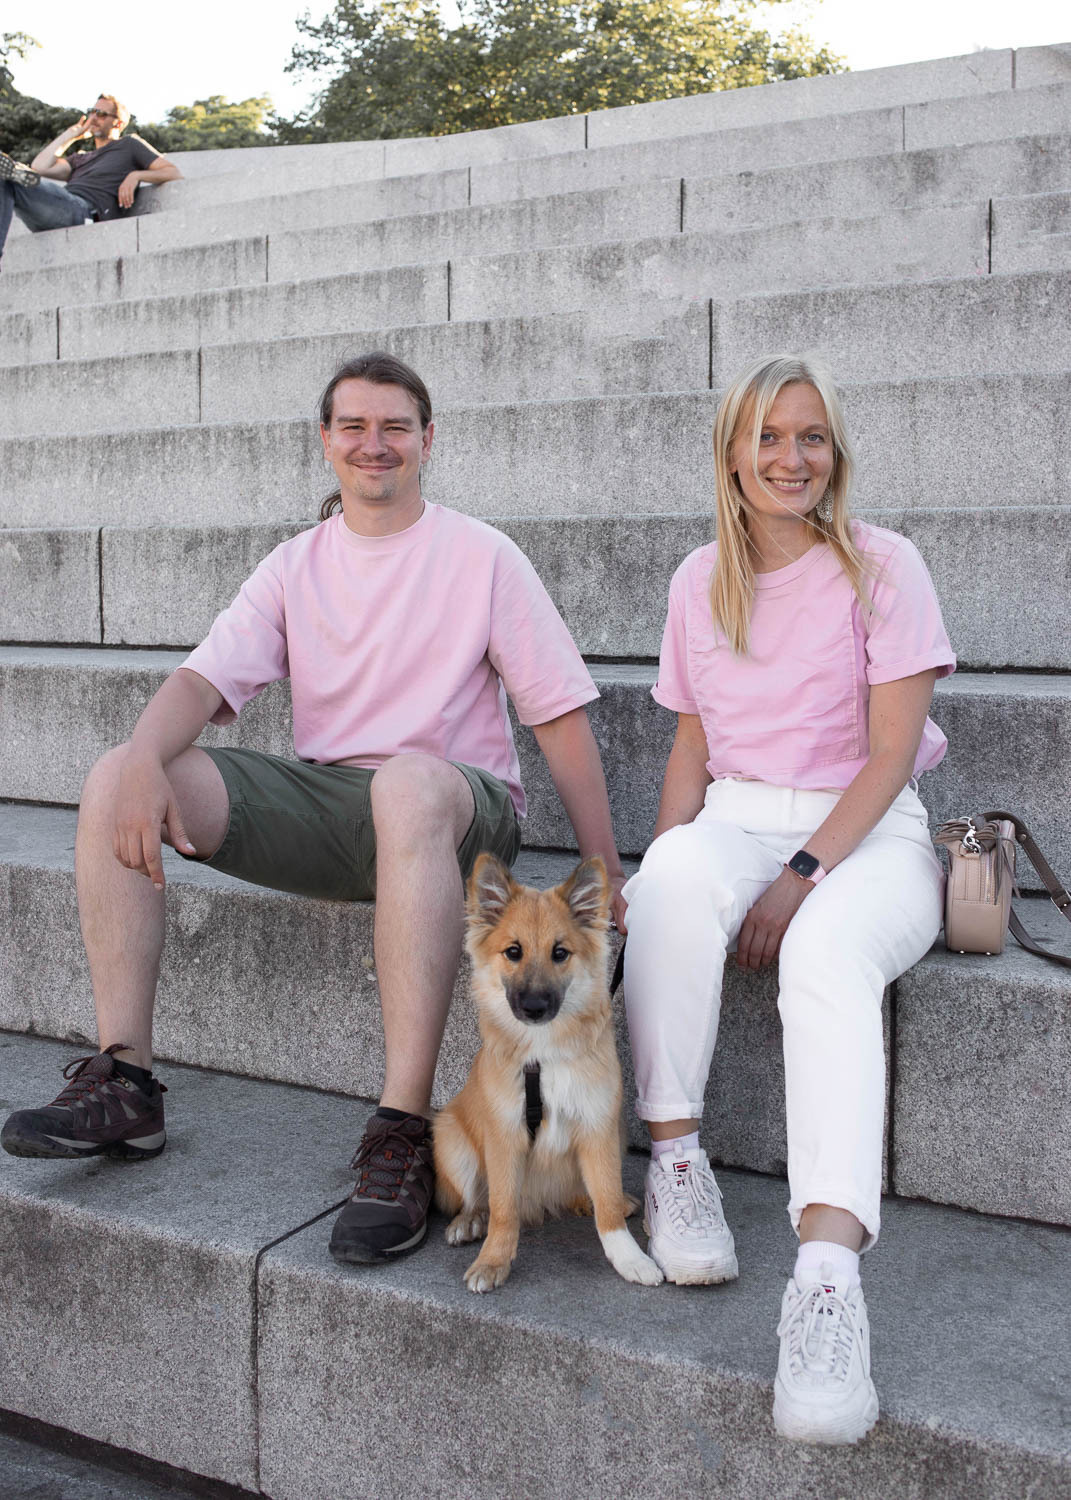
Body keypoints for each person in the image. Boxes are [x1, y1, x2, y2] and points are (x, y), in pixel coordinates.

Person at [1, 351, 629, 1270]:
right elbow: (203, 678)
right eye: (353, 427)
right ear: (325, 442)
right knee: (114, 779)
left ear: (427, 440)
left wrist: (602, 875)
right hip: (337, 801)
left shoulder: (483, 555)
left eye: (394, 427)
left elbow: (559, 720)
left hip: (458, 808)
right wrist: (140, 754)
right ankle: (126, 1082)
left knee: (407, 783)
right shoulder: (295, 565)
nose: (373, 445)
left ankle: (401, 1130)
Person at [620, 353, 955, 1444]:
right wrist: (662, 864)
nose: (791, 458)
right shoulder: (696, 580)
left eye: (810, 437)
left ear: (835, 451)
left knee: (819, 956)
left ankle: (824, 1286)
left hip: (866, 832)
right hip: (736, 813)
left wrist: (803, 875)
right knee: (668, 876)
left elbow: (894, 755)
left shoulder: (884, 567)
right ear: (733, 453)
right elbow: (690, 743)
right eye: (769, 437)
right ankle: (675, 1160)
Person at [0, 92, 180, 264]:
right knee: (5, 178)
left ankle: (16, 174)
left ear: (118, 123)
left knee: (11, 177)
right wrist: (70, 135)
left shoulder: (129, 145)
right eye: (91, 112)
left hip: (84, 212)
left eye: (101, 114)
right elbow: (40, 166)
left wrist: (136, 175)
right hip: (57, 210)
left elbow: (173, 172)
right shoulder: (79, 158)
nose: (93, 118)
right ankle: (16, 175)